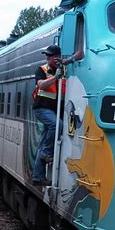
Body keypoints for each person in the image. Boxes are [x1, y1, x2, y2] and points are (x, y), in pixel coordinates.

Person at [31, 44, 77, 186]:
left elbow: (78, 55)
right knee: (57, 125)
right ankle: (46, 154)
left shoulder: (62, 68)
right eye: (47, 56)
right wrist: (55, 77)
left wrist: (68, 60)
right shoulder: (41, 70)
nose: (47, 58)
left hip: (54, 110)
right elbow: (41, 85)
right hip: (42, 108)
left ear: (57, 57)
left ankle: (38, 177)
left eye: (50, 56)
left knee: (44, 141)